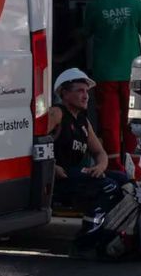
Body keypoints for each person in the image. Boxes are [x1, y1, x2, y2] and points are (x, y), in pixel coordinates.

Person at [84, 0, 141, 180]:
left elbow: (83, 37)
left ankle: (115, 168)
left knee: (109, 124)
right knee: (134, 122)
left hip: (105, 76)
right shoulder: (135, 4)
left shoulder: (94, 7)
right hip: (133, 77)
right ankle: (135, 169)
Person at [48, 68, 128, 256]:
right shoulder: (56, 113)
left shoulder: (84, 121)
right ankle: (84, 242)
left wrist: (100, 167)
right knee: (108, 187)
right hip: (59, 178)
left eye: (87, 91)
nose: (85, 96)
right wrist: (52, 166)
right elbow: (34, 141)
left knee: (123, 180)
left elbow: (100, 153)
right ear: (64, 93)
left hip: (77, 174)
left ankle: (110, 232)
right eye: (80, 91)